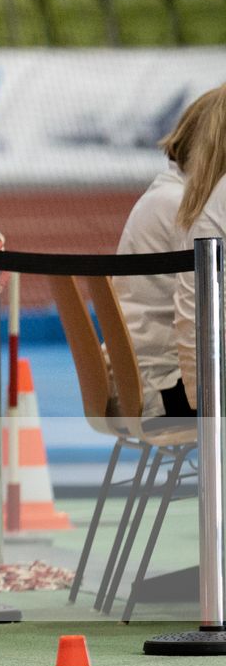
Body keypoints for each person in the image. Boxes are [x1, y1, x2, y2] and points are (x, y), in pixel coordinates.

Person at [120, 85, 226, 421]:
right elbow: (200, 307)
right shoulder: (181, 206)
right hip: (166, 389)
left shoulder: (167, 196)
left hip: (148, 379)